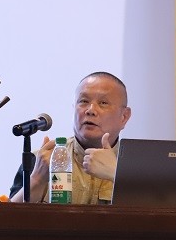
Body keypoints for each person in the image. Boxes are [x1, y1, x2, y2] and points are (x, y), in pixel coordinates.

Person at [9, 71, 132, 204]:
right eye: (84, 101)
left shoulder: (138, 167)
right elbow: (7, 215)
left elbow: (148, 212)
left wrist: (116, 174)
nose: (90, 110)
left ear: (124, 117)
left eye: (103, 103)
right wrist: (37, 179)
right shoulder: (41, 159)